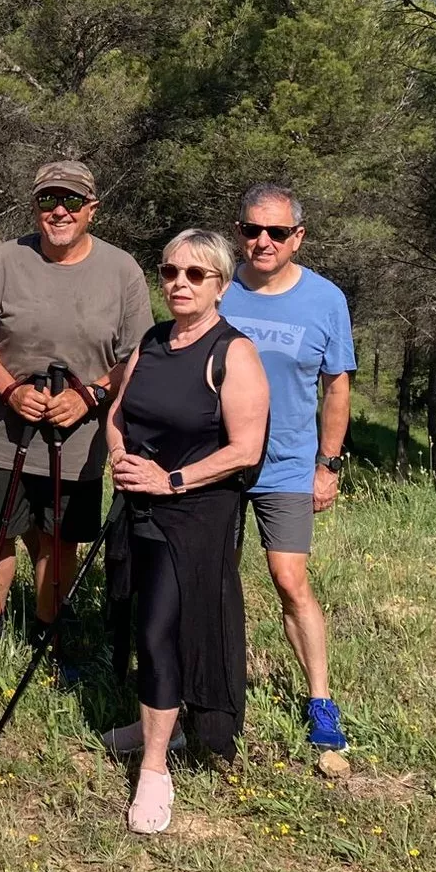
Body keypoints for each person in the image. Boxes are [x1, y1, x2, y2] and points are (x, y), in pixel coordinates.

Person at [0, 161, 152, 666]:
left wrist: (91, 395)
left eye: (71, 201)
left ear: (92, 210)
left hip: (80, 442)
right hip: (4, 433)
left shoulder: (122, 270)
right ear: (35, 206)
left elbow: (137, 356)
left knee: (59, 543)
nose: (59, 211)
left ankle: (48, 636)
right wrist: (10, 390)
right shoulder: (6, 260)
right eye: (48, 200)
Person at [102, 230, 269, 834]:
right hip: (140, 506)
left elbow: (245, 450)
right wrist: (120, 457)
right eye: (170, 271)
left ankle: (154, 768)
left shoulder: (234, 353)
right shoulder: (152, 341)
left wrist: (169, 480)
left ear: (220, 285)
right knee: (145, 617)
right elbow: (117, 414)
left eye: (196, 275)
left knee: (160, 632)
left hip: (195, 515)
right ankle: (158, 724)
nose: (179, 283)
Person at [220, 183, 356, 752]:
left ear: (297, 237)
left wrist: (328, 464)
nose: (264, 241)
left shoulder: (325, 300)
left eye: (277, 232)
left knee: (290, 580)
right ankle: (213, 688)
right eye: (253, 230)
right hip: (218, 463)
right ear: (239, 233)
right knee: (214, 580)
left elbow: (337, 387)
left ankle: (320, 699)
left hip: (288, 466)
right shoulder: (218, 289)